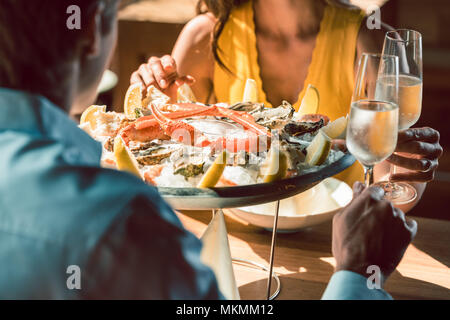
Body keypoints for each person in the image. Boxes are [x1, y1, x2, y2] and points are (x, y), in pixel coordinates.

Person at [0, 0, 417, 300]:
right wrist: (355, 278)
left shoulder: (360, 32)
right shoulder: (124, 219)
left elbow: (388, 176)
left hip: (306, 244)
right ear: (91, 31)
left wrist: (403, 177)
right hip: (257, 254)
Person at [131, 0, 443, 212]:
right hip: (232, 242)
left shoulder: (370, 37)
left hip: (334, 243)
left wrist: (409, 169)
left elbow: (394, 192)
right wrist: (152, 97)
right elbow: (172, 170)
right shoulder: (206, 35)